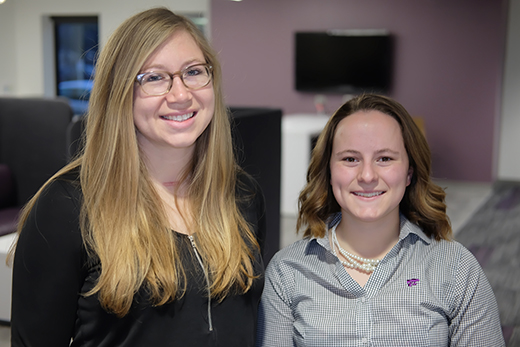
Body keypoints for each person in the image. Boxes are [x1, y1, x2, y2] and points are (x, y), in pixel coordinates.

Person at [10, 7, 266, 347]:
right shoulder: (67, 206)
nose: (180, 95)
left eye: (193, 71)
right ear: (119, 93)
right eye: (155, 78)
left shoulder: (242, 194)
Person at [256, 94, 505, 347]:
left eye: (384, 158)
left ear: (409, 172)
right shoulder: (287, 272)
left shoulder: (456, 268)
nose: (367, 175)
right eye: (350, 159)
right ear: (329, 172)